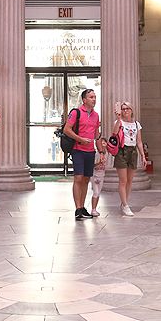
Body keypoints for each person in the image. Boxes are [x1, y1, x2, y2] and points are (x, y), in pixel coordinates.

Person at [62, 88, 99, 221]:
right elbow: (67, 129)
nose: (94, 99)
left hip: (90, 151)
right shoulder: (76, 112)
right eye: (91, 97)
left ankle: (83, 207)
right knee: (78, 178)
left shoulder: (96, 115)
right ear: (84, 100)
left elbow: (96, 135)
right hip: (78, 150)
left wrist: (102, 151)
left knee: (86, 179)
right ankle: (78, 209)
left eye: (94, 97)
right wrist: (80, 139)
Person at [112, 101, 147, 216]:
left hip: (132, 151)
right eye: (123, 109)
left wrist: (143, 155)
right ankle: (126, 205)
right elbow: (114, 133)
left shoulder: (137, 124)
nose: (125, 110)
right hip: (122, 151)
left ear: (131, 110)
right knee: (123, 180)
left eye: (127, 108)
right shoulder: (119, 122)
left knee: (130, 180)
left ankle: (124, 202)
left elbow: (139, 141)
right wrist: (118, 118)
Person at [90, 136, 109, 218]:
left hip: (102, 175)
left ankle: (95, 208)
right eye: (102, 143)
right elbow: (92, 165)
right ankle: (93, 209)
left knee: (98, 193)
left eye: (105, 143)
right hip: (95, 175)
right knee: (96, 192)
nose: (103, 144)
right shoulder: (96, 154)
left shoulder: (107, 153)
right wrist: (99, 163)